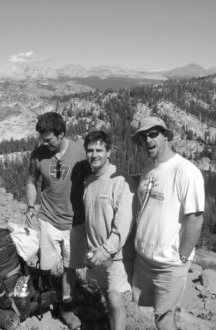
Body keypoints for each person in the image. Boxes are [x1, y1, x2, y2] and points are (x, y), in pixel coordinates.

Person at [130, 116, 205, 330]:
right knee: (158, 315)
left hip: (169, 263)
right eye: (143, 137)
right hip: (145, 259)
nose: (148, 140)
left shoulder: (186, 171)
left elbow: (196, 217)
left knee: (163, 319)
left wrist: (181, 255)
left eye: (153, 134)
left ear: (165, 136)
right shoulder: (149, 170)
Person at [26, 112, 88, 330]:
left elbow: (94, 179)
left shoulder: (80, 151)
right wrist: (31, 206)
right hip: (48, 219)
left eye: (49, 139)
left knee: (70, 267)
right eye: (43, 139)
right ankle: (44, 297)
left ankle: (66, 307)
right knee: (45, 265)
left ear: (61, 134)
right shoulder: (39, 154)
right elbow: (32, 181)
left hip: (75, 222)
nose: (45, 143)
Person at [83, 130, 135, 330]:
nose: (94, 155)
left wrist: (106, 249)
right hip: (96, 253)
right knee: (106, 296)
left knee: (114, 299)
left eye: (99, 150)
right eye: (90, 150)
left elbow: (123, 223)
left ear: (109, 151)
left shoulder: (120, 179)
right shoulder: (90, 181)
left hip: (115, 255)